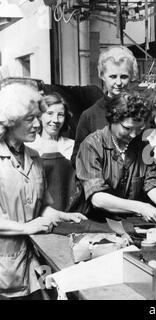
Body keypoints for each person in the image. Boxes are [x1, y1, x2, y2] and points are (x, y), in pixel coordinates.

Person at [0, 84, 86, 299]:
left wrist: (62, 215)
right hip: (5, 266)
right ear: (10, 121)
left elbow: (42, 205)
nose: (38, 124)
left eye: (37, 117)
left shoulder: (34, 156)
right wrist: (25, 227)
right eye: (30, 119)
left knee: (48, 294)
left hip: (35, 259)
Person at [75, 92, 156, 231]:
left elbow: (152, 184)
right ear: (112, 120)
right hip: (94, 223)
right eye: (127, 128)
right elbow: (97, 198)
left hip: (128, 223)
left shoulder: (142, 145)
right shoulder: (91, 145)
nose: (134, 134)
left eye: (139, 128)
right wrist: (140, 207)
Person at [71, 46, 139, 167]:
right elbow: (77, 159)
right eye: (113, 76)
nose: (118, 83)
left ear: (132, 76)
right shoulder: (90, 116)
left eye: (124, 76)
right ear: (102, 75)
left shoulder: (141, 112)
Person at [26, 92, 74, 159]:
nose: (55, 120)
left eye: (60, 115)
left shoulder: (72, 146)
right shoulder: (28, 146)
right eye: (50, 113)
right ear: (40, 116)